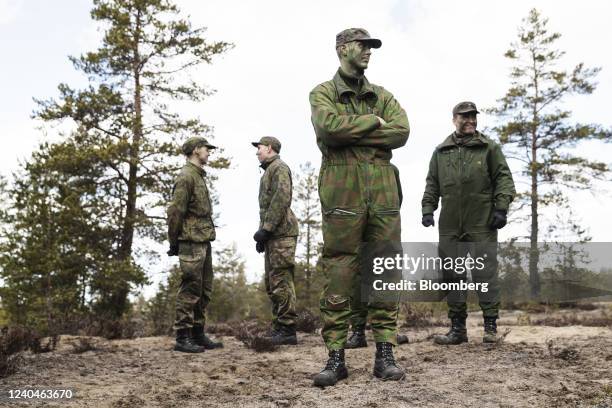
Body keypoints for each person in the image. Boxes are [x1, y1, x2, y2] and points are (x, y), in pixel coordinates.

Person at [309, 28, 410, 386]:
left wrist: (352, 131)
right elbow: (328, 127)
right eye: (362, 45)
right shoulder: (323, 92)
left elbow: (401, 132)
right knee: (340, 268)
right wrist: (372, 123)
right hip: (342, 189)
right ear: (342, 49)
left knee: (384, 266)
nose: (368, 51)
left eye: (371, 47)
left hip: (382, 188)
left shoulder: (382, 95)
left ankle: (385, 354)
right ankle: (336, 358)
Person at [421, 101, 515, 345]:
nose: (471, 120)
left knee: (485, 273)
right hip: (450, 224)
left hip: (481, 221)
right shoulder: (440, 152)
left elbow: (504, 179)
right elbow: (432, 183)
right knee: (452, 274)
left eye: (474, 116)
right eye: (465, 117)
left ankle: (491, 328)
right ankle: (457, 330)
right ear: (454, 119)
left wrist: (501, 208)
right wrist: (428, 209)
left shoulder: (489, 148)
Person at [167, 137, 223, 353]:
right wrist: (174, 241)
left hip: (203, 239)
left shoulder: (198, 176)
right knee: (190, 288)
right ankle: (183, 337)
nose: (209, 153)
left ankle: (198, 333)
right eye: (206, 149)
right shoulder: (186, 177)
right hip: (190, 240)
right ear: (195, 150)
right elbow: (175, 212)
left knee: (204, 289)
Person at [252, 136, 300, 346]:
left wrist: (267, 229)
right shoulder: (269, 171)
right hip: (274, 234)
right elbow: (269, 205)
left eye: (259, 148)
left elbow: (281, 199)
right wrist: (263, 233)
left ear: (269, 148)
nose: (257, 152)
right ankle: (279, 326)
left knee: (281, 280)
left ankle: (288, 329)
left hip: (282, 233)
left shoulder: (279, 168)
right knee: (272, 282)